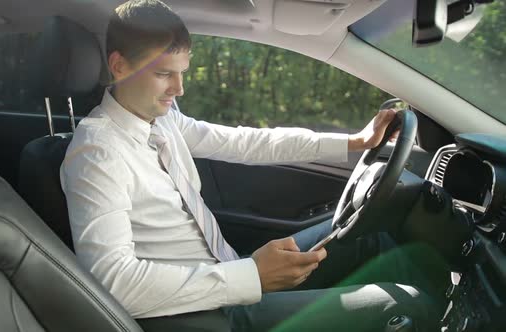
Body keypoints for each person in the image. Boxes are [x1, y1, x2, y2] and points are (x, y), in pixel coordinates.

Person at [60, 0, 441, 330]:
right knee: (405, 304)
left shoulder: (161, 119)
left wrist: (353, 143)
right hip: (206, 314)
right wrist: (251, 276)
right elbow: (112, 283)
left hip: (229, 272)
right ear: (120, 66)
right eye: (163, 74)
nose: (179, 90)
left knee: (368, 236)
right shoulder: (97, 152)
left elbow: (246, 142)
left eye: (182, 73)